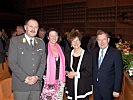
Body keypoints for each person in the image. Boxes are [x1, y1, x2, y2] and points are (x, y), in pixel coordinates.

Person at [8, 19, 46, 100]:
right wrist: (25, 78)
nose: (33, 29)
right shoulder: (15, 41)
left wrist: (37, 76)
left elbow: (43, 63)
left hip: (36, 85)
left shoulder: (41, 43)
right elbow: (12, 63)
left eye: (36, 27)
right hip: (21, 85)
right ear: (25, 27)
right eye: (31, 26)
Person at [92, 30, 123, 100]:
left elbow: (119, 73)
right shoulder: (94, 52)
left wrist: (117, 89)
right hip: (96, 88)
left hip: (109, 89)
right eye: (99, 40)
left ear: (108, 40)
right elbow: (93, 69)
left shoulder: (115, 53)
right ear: (97, 41)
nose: (102, 42)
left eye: (104, 39)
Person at [65, 29, 93, 100]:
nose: (75, 43)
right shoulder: (67, 55)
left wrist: (76, 74)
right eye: (73, 41)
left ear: (80, 42)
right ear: (71, 43)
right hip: (71, 86)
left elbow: (89, 71)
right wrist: (68, 73)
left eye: (77, 40)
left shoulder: (88, 55)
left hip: (83, 86)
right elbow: (66, 68)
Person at [40, 28, 66, 100]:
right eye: (51, 36)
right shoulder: (44, 49)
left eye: (56, 35)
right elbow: (41, 65)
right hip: (48, 80)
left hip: (59, 80)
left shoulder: (61, 48)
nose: (54, 37)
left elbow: (64, 64)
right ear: (48, 37)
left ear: (58, 37)